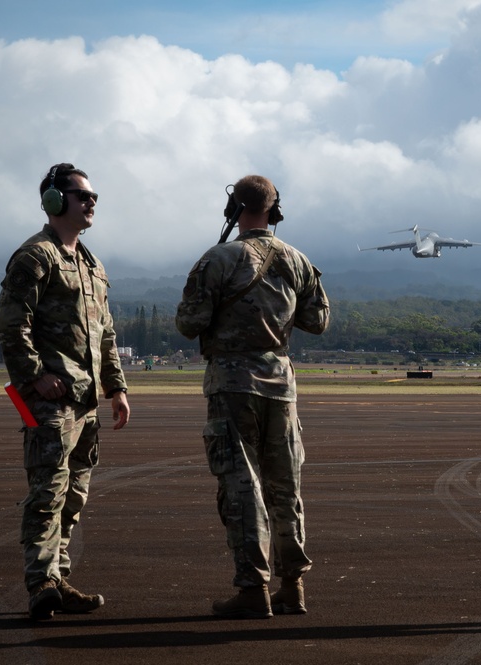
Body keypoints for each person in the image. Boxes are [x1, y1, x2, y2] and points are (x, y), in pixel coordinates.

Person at [175, 175, 329, 619]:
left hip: (233, 383)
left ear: (234, 209)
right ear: (274, 210)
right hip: (281, 385)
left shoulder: (219, 258)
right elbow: (318, 319)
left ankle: (252, 588)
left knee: (242, 486)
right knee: (286, 487)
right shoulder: (297, 259)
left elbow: (189, 322)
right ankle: (291, 586)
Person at [0, 162, 130, 620]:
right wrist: (34, 376)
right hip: (47, 401)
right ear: (55, 201)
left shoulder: (91, 263)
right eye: (81, 195)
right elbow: (13, 325)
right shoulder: (35, 257)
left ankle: (59, 576)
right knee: (47, 491)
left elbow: (105, 333)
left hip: (85, 401)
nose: (91, 202)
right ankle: (40, 585)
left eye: (93, 196)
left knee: (74, 494)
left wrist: (117, 387)